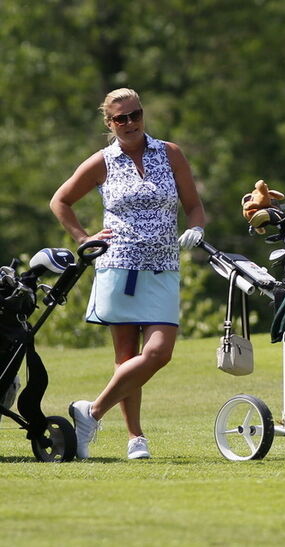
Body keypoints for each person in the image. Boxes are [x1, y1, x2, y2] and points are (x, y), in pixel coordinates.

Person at [50, 88, 206, 460]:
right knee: (126, 357)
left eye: (135, 115)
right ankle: (136, 438)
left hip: (164, 266)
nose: (131, 123)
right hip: (119, 265)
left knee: (158, 352)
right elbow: (61, 201)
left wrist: (197, 227)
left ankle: (91, 412)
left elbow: (193, 205)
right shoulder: (103, 160)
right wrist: (85, 238)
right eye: (121, 118)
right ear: (110, 123)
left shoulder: (170, 154)